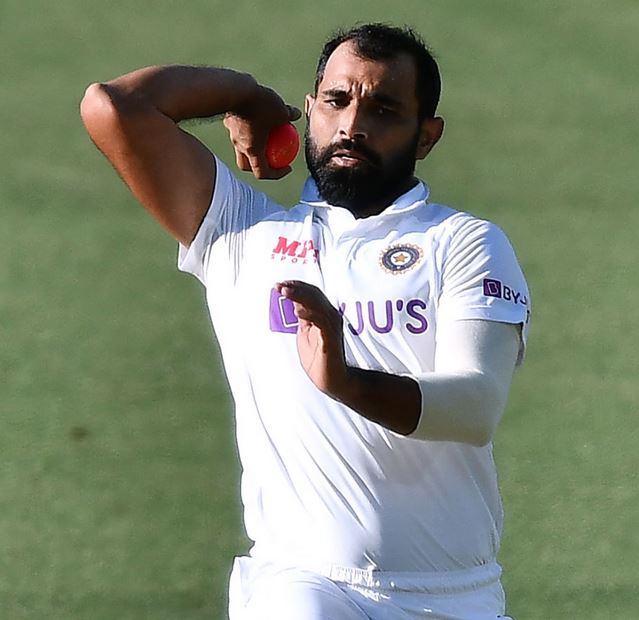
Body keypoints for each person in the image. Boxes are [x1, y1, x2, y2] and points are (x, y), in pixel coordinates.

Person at [80, 22, 530, 620]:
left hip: (450, 599)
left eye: (384, 109)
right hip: (301, 583)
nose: (351, 126)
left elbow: (474, 408)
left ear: (427, 136)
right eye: (337, 101)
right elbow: (114, 106)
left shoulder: (464, 243)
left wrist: (347, 382)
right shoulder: (241, 235)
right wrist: (246, 98)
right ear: (311, 108)